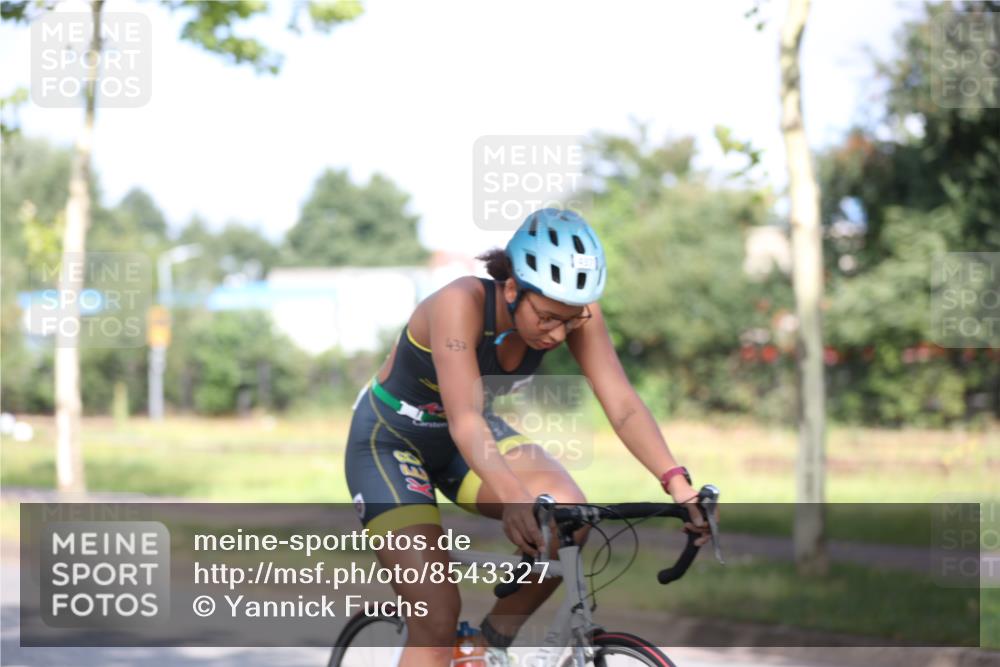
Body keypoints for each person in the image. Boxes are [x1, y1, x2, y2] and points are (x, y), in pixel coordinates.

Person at [344, 208, 716, 667]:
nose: (559, 333)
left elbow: (622, 403)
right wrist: (516, 496)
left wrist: (677, 482)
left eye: (571, 320)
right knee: (437, 618)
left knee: (567, 519)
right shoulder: (458, 304)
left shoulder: (574, 314)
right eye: (547, 318)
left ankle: (491, 644)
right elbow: (463, 419)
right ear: (514, 287)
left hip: (469, 438)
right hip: (391, 442)